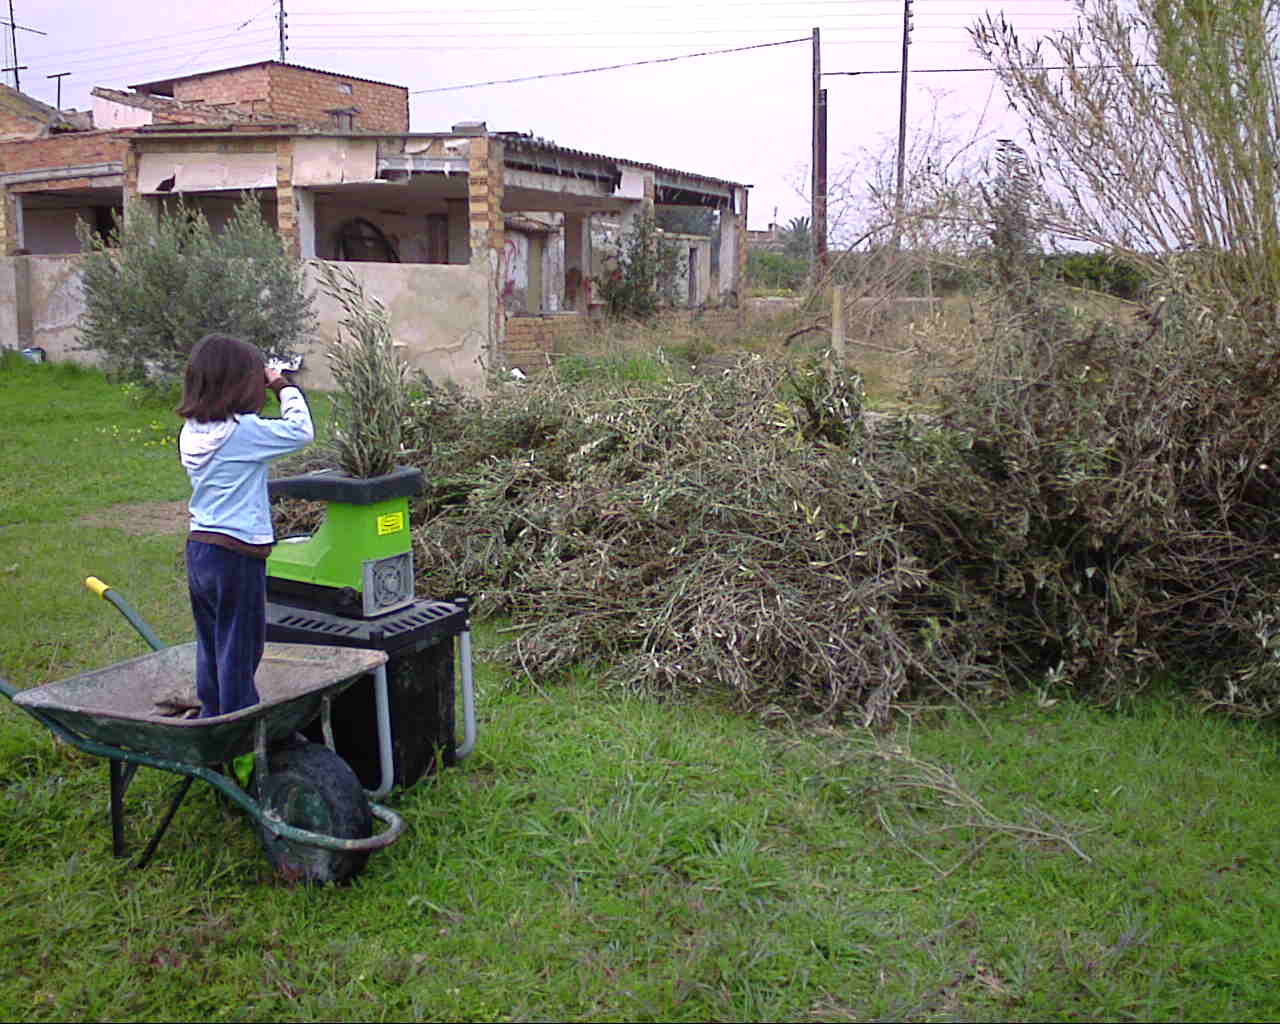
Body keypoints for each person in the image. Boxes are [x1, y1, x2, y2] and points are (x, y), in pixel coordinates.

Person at [177, 333, 314, 721]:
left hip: (200, 548)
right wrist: (283, 385)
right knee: (240, 647)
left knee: (211, 641)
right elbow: (301, 431)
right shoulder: (243, 433)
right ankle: (240, 730)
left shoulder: (193, 430)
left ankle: (212, 717)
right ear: (243, 384)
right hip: (236, 555)